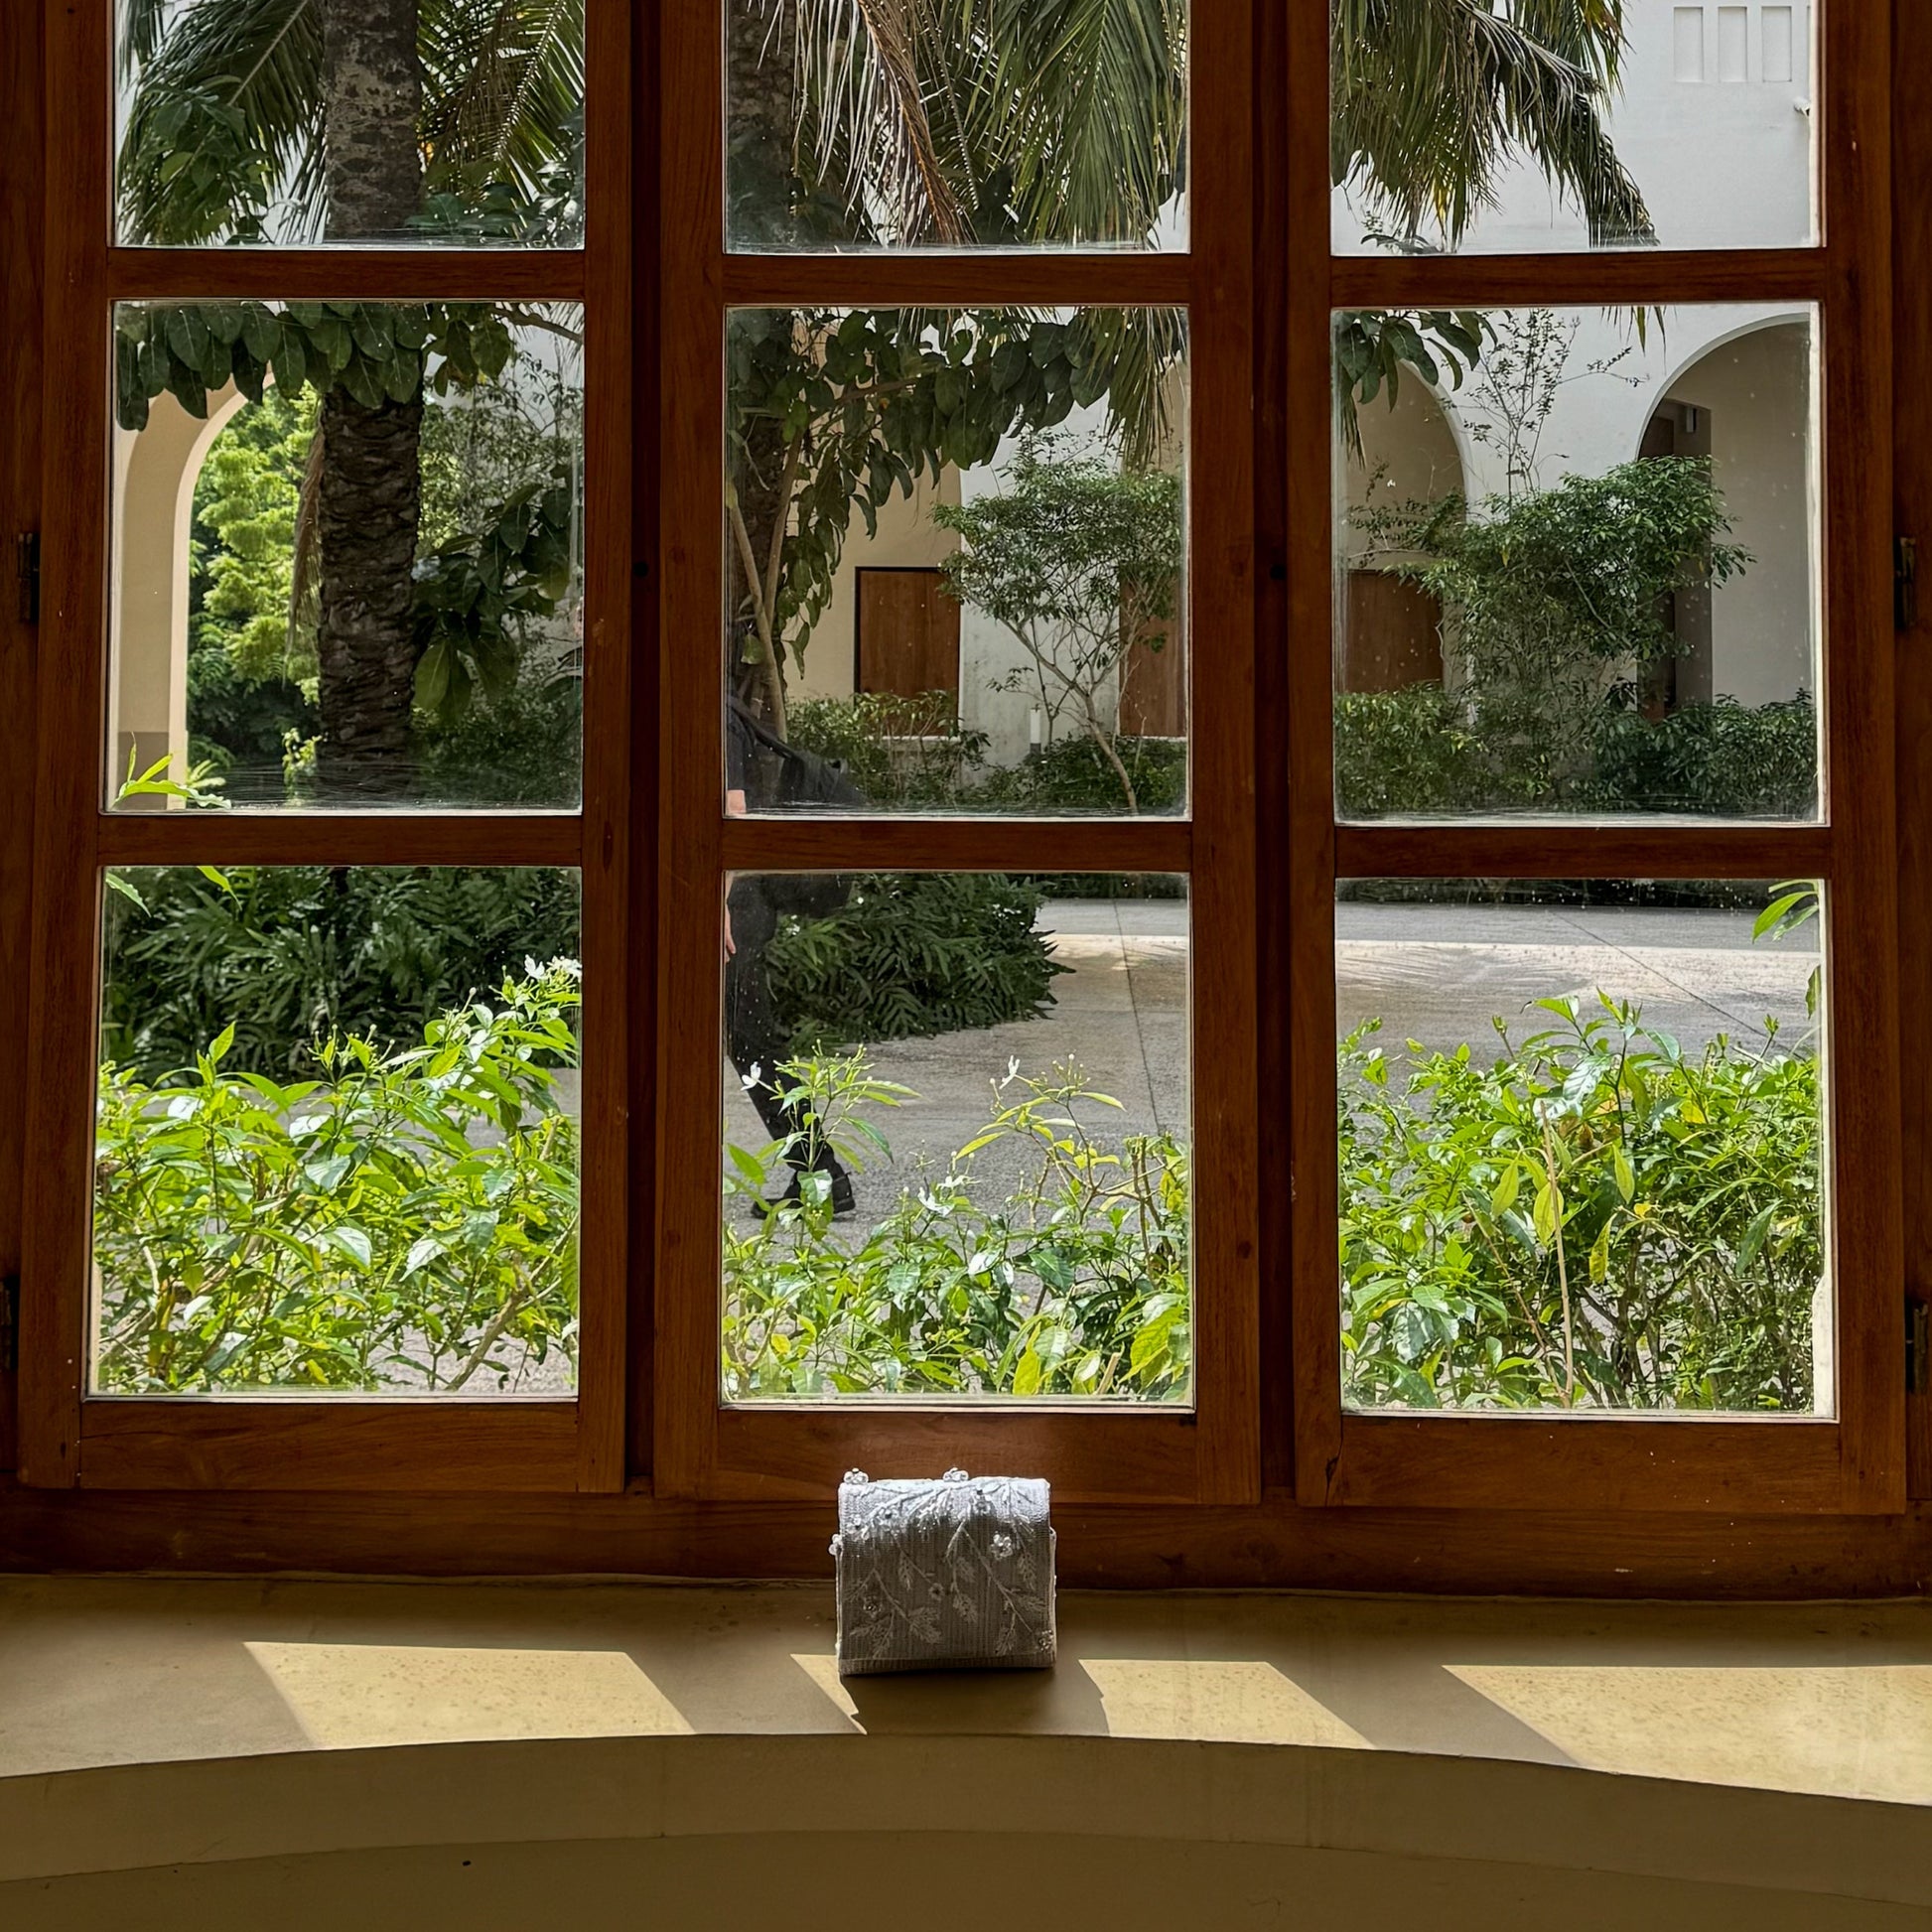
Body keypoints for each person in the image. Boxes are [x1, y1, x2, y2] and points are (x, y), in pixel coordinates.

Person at [725, 695, 864, 1217]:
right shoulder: (721, 711)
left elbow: (733, 815)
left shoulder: (713, 716)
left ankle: (820, 1172)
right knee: (745, 1039)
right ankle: (818, 1171)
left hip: (735, 902)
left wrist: (717, 901)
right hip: (735, 898)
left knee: (751, 1041)